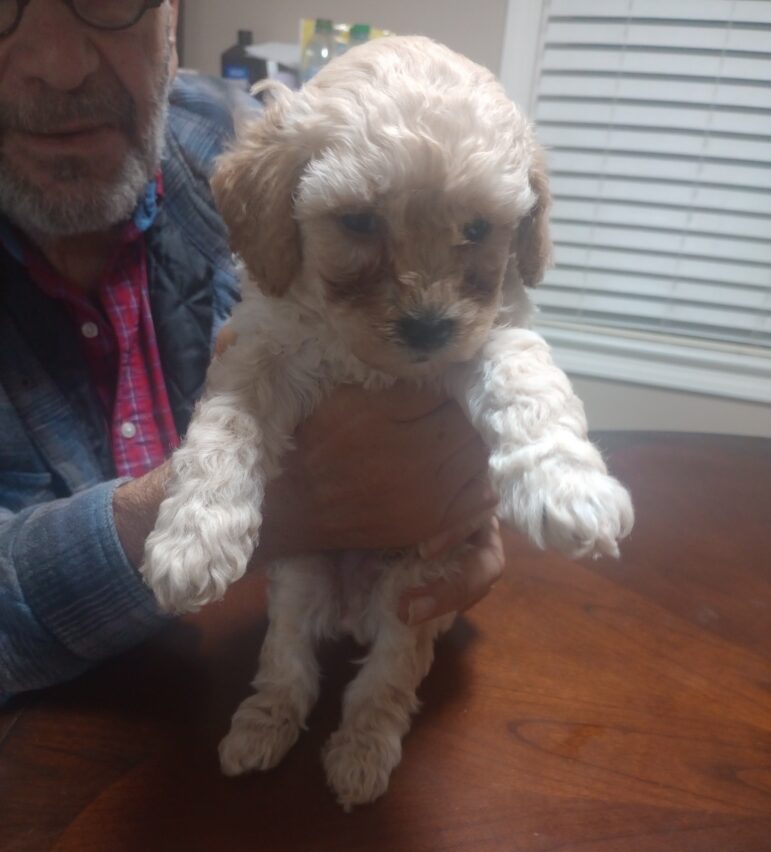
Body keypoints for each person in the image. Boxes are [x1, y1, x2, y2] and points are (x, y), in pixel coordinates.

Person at [0, 0, 503, 697]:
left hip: (277, 657)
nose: (59, 65)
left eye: (109, 0)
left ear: (170, 16)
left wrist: (458, 481)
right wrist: (277, 508)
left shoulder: (261, 139)